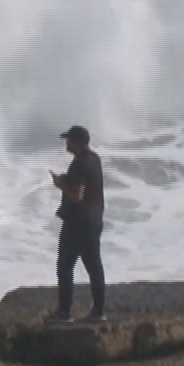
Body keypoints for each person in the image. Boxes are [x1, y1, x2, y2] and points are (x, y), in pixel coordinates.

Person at [48, 125, 106, 323]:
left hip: (78, 223)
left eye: (70, 140)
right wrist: (67, 179)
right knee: (94, 267)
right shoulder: (94, 159)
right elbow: (85, 184)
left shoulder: (81, 163)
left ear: (79, 142)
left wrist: (60, 184)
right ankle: (99, 311)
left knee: (65, 266)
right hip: (93, 220)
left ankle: (64, 313)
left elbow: (77, 195)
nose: (67, 143)